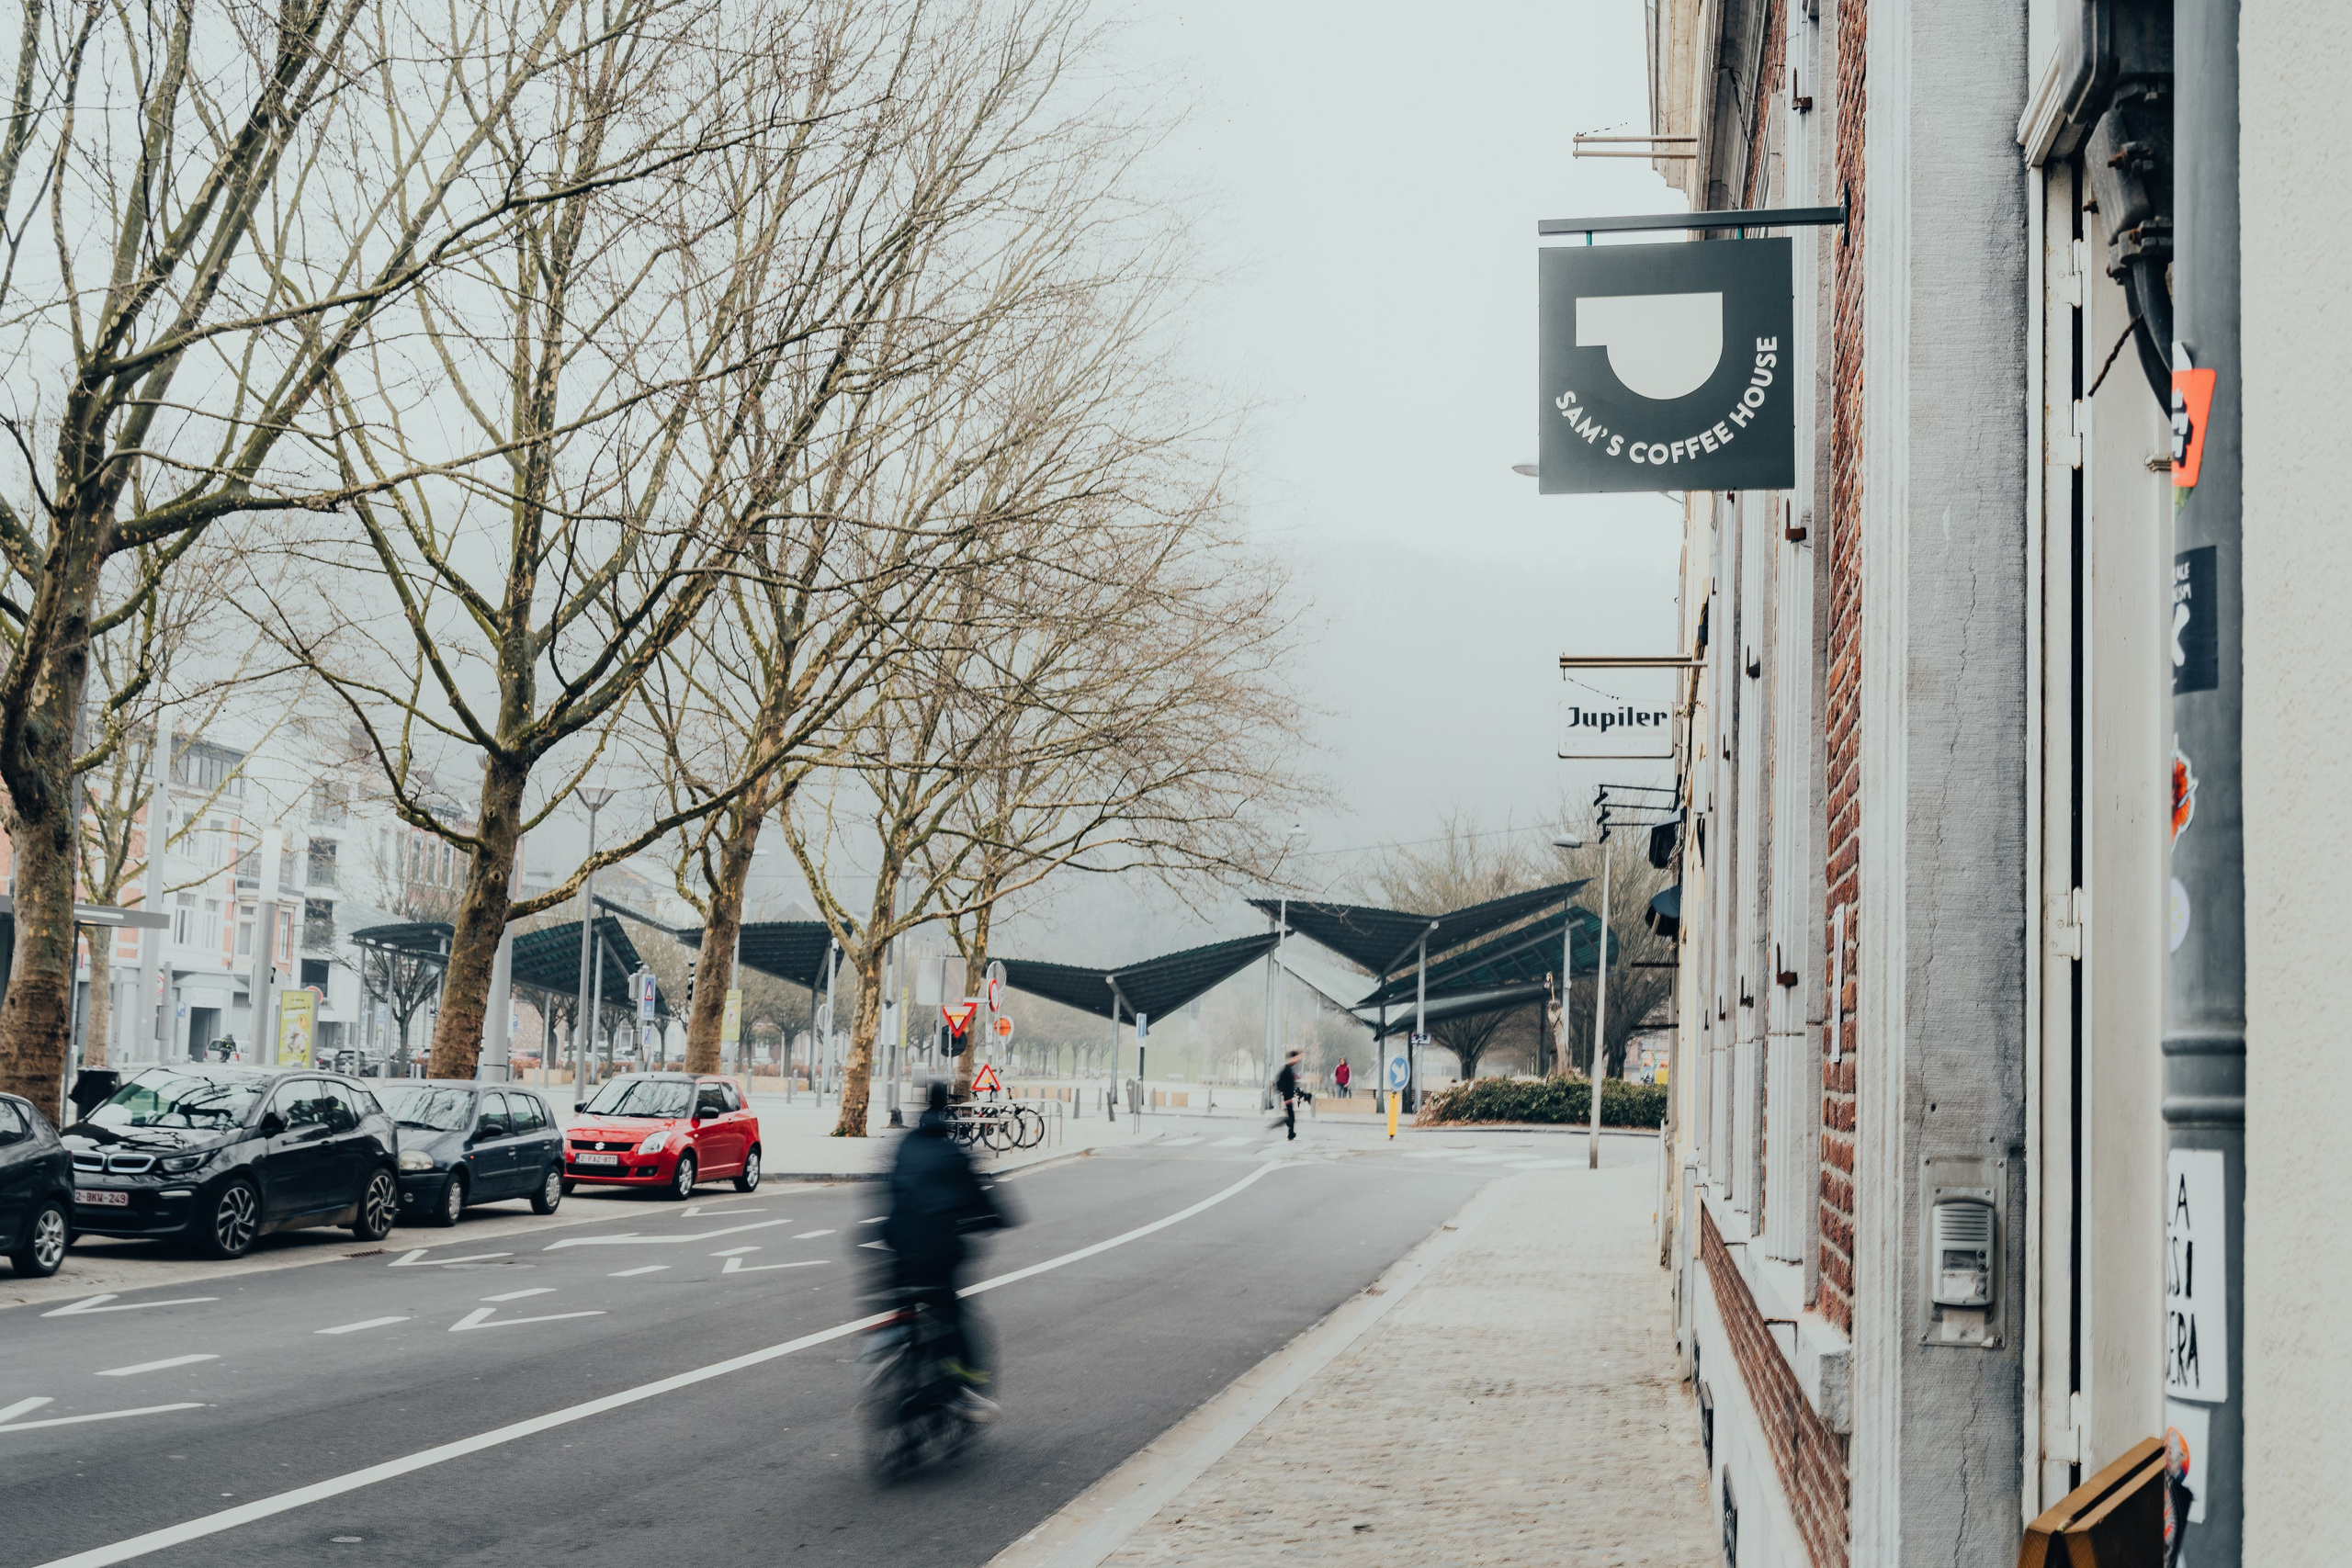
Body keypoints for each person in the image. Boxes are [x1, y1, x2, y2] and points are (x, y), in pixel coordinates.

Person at [884, 1081, 1015, 1420]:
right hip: (938, 1253)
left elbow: (890, 1189)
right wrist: (995, 1218)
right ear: (948, 1113)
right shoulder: (954, 1153)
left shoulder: (904, 1146)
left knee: (902, 1307)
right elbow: (983, 1201)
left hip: (896, 1247)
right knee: (953, 1313)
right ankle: (962, 1389)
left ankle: (892, 1367)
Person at [1270, 1048, 1303, 1141]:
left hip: (1289, 1096)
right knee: (1291, 1117)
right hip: (1287, 1097)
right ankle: (1287, 1129)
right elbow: (1279, 1082)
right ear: (1292, 1058)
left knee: (1292, 1116)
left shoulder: (1290, 1068)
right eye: (1297, 1057)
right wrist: (1286, 1095)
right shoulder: (1286, 1069)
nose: (1298, 1059)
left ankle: (1291, 1134)